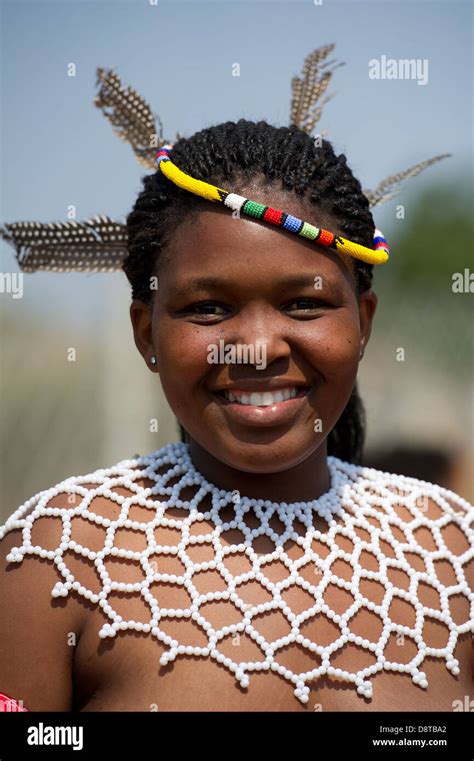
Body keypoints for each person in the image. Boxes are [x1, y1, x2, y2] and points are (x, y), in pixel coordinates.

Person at [0, 120, 472, 712]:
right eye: (208, 308)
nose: (256, 347)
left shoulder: (452, 556)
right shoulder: (58, 559)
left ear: (364, 325)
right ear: (147, 334)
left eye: (304, 304)